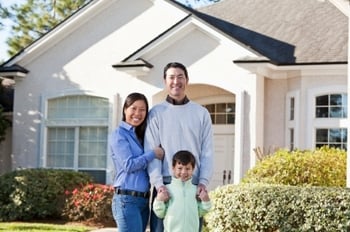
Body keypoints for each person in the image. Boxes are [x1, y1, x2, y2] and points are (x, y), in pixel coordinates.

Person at [145, 62, 214, 232]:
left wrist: (203, 182)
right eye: (171, 77)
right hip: (166, 184)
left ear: (187, 80)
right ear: (165, 81)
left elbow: (208, 152)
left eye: (180, 77)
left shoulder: (201, 113)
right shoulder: (156, 113)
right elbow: (151, 151)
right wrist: (159, 184)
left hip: (194, 183)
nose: (176, 81)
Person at [110, 92, 164, 232]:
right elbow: (128, 165)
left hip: (144, 200)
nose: (137, 113)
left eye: (142, 110)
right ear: (125, 109)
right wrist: (153, 154)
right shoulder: (119, 135)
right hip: (126, 200)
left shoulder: (140, 136)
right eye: (133, 108)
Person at [153, 150, 212, 232]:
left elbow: (201, 212)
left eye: (188, 168)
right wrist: (159, 200)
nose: (184, 172)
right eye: (180, 168)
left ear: (193, 169)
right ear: (173, 168)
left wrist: (206, 201)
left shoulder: (196, 190)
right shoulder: (167, 190)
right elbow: (160, 213)